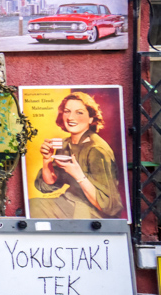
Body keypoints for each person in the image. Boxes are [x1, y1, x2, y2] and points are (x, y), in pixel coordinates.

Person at [30, 91, 124, 219]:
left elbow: (108, 206)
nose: (70, 117)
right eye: (67, 111)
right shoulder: (65, 144)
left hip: (91, 212)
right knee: (31, 206)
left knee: (35, 210)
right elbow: (50, 184)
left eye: (79, 112)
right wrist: (47, 160)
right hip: (69, 201)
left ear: (91, 118)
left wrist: (78, 175)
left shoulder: (97, 150)